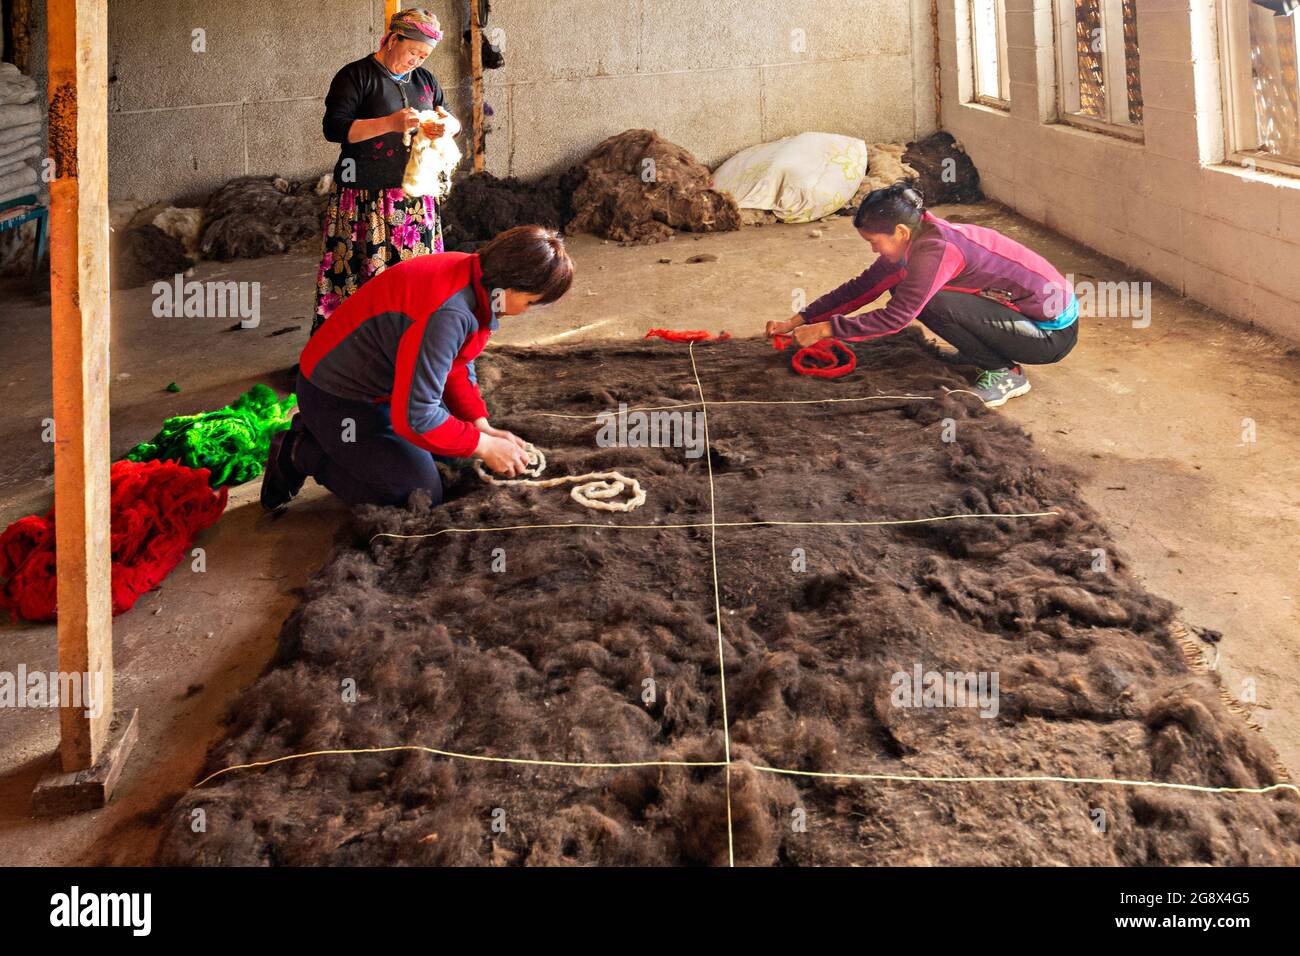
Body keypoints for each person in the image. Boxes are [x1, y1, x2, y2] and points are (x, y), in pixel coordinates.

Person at [261, 226, 574, 511]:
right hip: (336, 396)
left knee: (454, 451)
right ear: (511, 287)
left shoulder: (477, 276)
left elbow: (454, 363)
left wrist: (479, 426)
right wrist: (483, 445)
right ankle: (301, 451)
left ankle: (338, 442)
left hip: (385, 385)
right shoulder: (449, 313)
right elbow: (415, 418)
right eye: (531, 302)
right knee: (415, 495)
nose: (526, 311)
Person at [765, 183, 1078, 406]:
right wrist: (795, 320)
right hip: (1021, 316)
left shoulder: (936, 250)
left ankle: (1007, 373)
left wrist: (826, 329)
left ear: (900, 232)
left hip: (1051, 335)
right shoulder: (916, 239)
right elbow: (862, 287)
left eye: (874, 241)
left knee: (933, 303)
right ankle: (983, 354)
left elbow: (896, 318)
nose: (873, 249)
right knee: (907, 289)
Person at [312, 8, 456, 335]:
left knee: (416, 279)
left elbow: (450, 119)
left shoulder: (426, 80)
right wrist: (389, 124)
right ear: (392, 39)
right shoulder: (356, 75)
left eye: (424, 55)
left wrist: (448, 126)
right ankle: (350, 354)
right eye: (413, 52)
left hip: (414, 201)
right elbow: (334, 129)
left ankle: (412, 345)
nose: (417, 60)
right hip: (364, 198)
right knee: (360, 278)